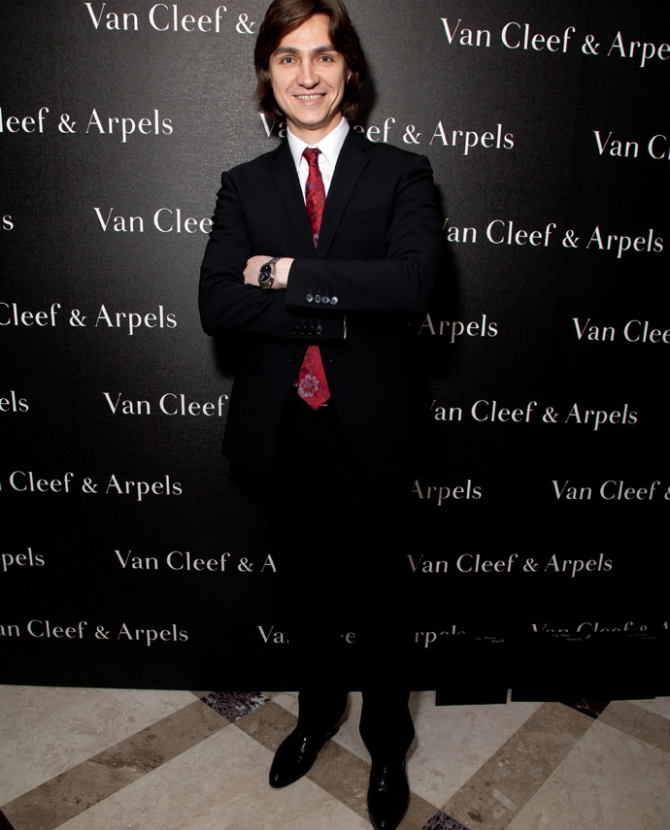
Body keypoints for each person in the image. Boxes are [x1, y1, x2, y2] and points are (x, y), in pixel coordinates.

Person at [199, 1, 442, 826]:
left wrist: (282, 274)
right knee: (303, 599)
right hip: (280, 431)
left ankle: (385, 745)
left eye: (324, 56)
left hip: (371, 430)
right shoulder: (243, 184)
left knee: (380, 605)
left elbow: (412, 287)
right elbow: (216, 305)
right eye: (288, 57)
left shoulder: (401, 173)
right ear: (267, 74)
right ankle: (315, 716)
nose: (308, 74)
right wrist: (342, 308)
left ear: (350, 70)